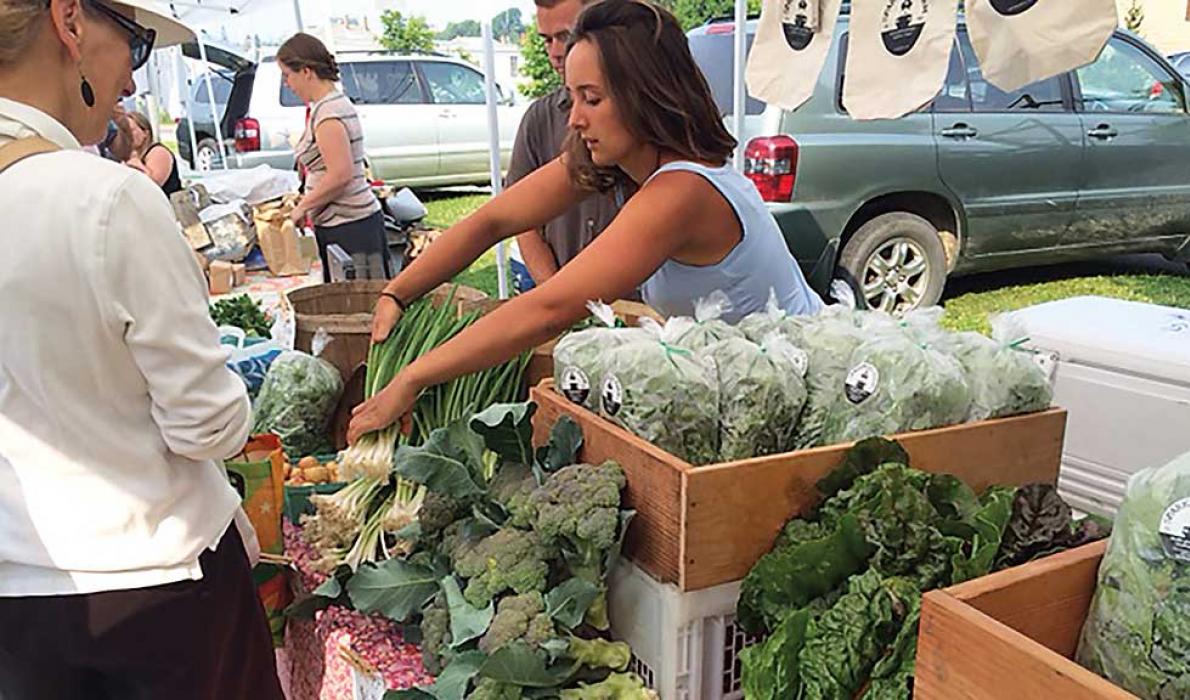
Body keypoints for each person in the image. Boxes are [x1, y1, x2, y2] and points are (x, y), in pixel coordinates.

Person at [348, 0, 824, 443]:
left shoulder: (682, 192)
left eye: (591, 99)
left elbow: (550, 309)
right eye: (572, 97)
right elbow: (494, 220)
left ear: (644, 96)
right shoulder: (623, 161)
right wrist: (397, 293)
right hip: (749, 389)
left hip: (808, 386)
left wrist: (412, 377)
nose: (574, 119)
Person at [0, 0, 284, 697]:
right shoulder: (106, 199)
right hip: (158, 585)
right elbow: (207, 425)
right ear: (69, 22)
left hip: (17, 599)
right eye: (135, 42)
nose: (130, 80)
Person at [507, 0, 629, 293]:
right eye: (547, 40)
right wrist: (554, 292)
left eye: (566, 37)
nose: (555, 52)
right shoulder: (540, 118)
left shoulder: (675, 176)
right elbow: (516, 219)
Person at [278, 32, 389, 283]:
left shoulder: (329, 112)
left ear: (306, 71)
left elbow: (340, 173)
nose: (287, 83)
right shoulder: (326, 107)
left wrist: (303, 207)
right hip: (344, 223)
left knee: (359, 308)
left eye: (287, 75)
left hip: (351, 226)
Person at [124, 109, 181, 194]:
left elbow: (153, 186)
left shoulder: (158, 152)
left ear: (145, 133)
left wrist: (135, 163)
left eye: (131, 130)